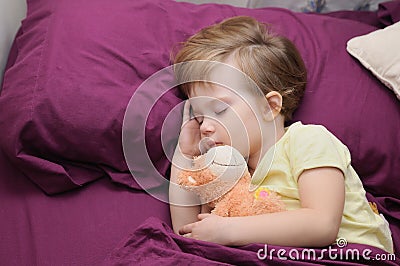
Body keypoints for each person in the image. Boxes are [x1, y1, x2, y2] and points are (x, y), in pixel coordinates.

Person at [168, 16, 393, 253]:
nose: (205, 127)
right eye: (200, 116)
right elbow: (186, 231)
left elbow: (322, 224)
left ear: (270, 107)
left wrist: (227, 230)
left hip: (349, 252)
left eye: (219, 110)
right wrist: (184, 153)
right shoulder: (229, 172)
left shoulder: (307, 140)